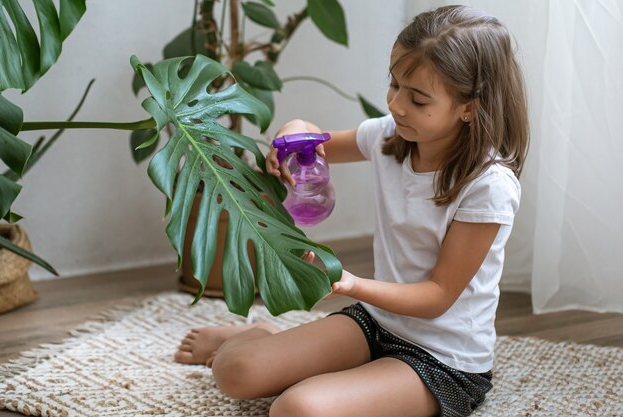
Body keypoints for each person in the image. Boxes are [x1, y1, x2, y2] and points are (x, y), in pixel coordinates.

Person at [174, 5, 529, 417]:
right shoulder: (391, 136)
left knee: (297, 410)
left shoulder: (488, 187)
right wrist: (295, 131)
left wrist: (349, 283)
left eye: (417, 99)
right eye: (394, 85)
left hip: (443, 360)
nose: (396, 106)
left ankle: (319, 363)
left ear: (469, 107)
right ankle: (261, 335)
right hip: (378, 322)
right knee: (233, 372)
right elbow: (319, 141)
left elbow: (437, 297)